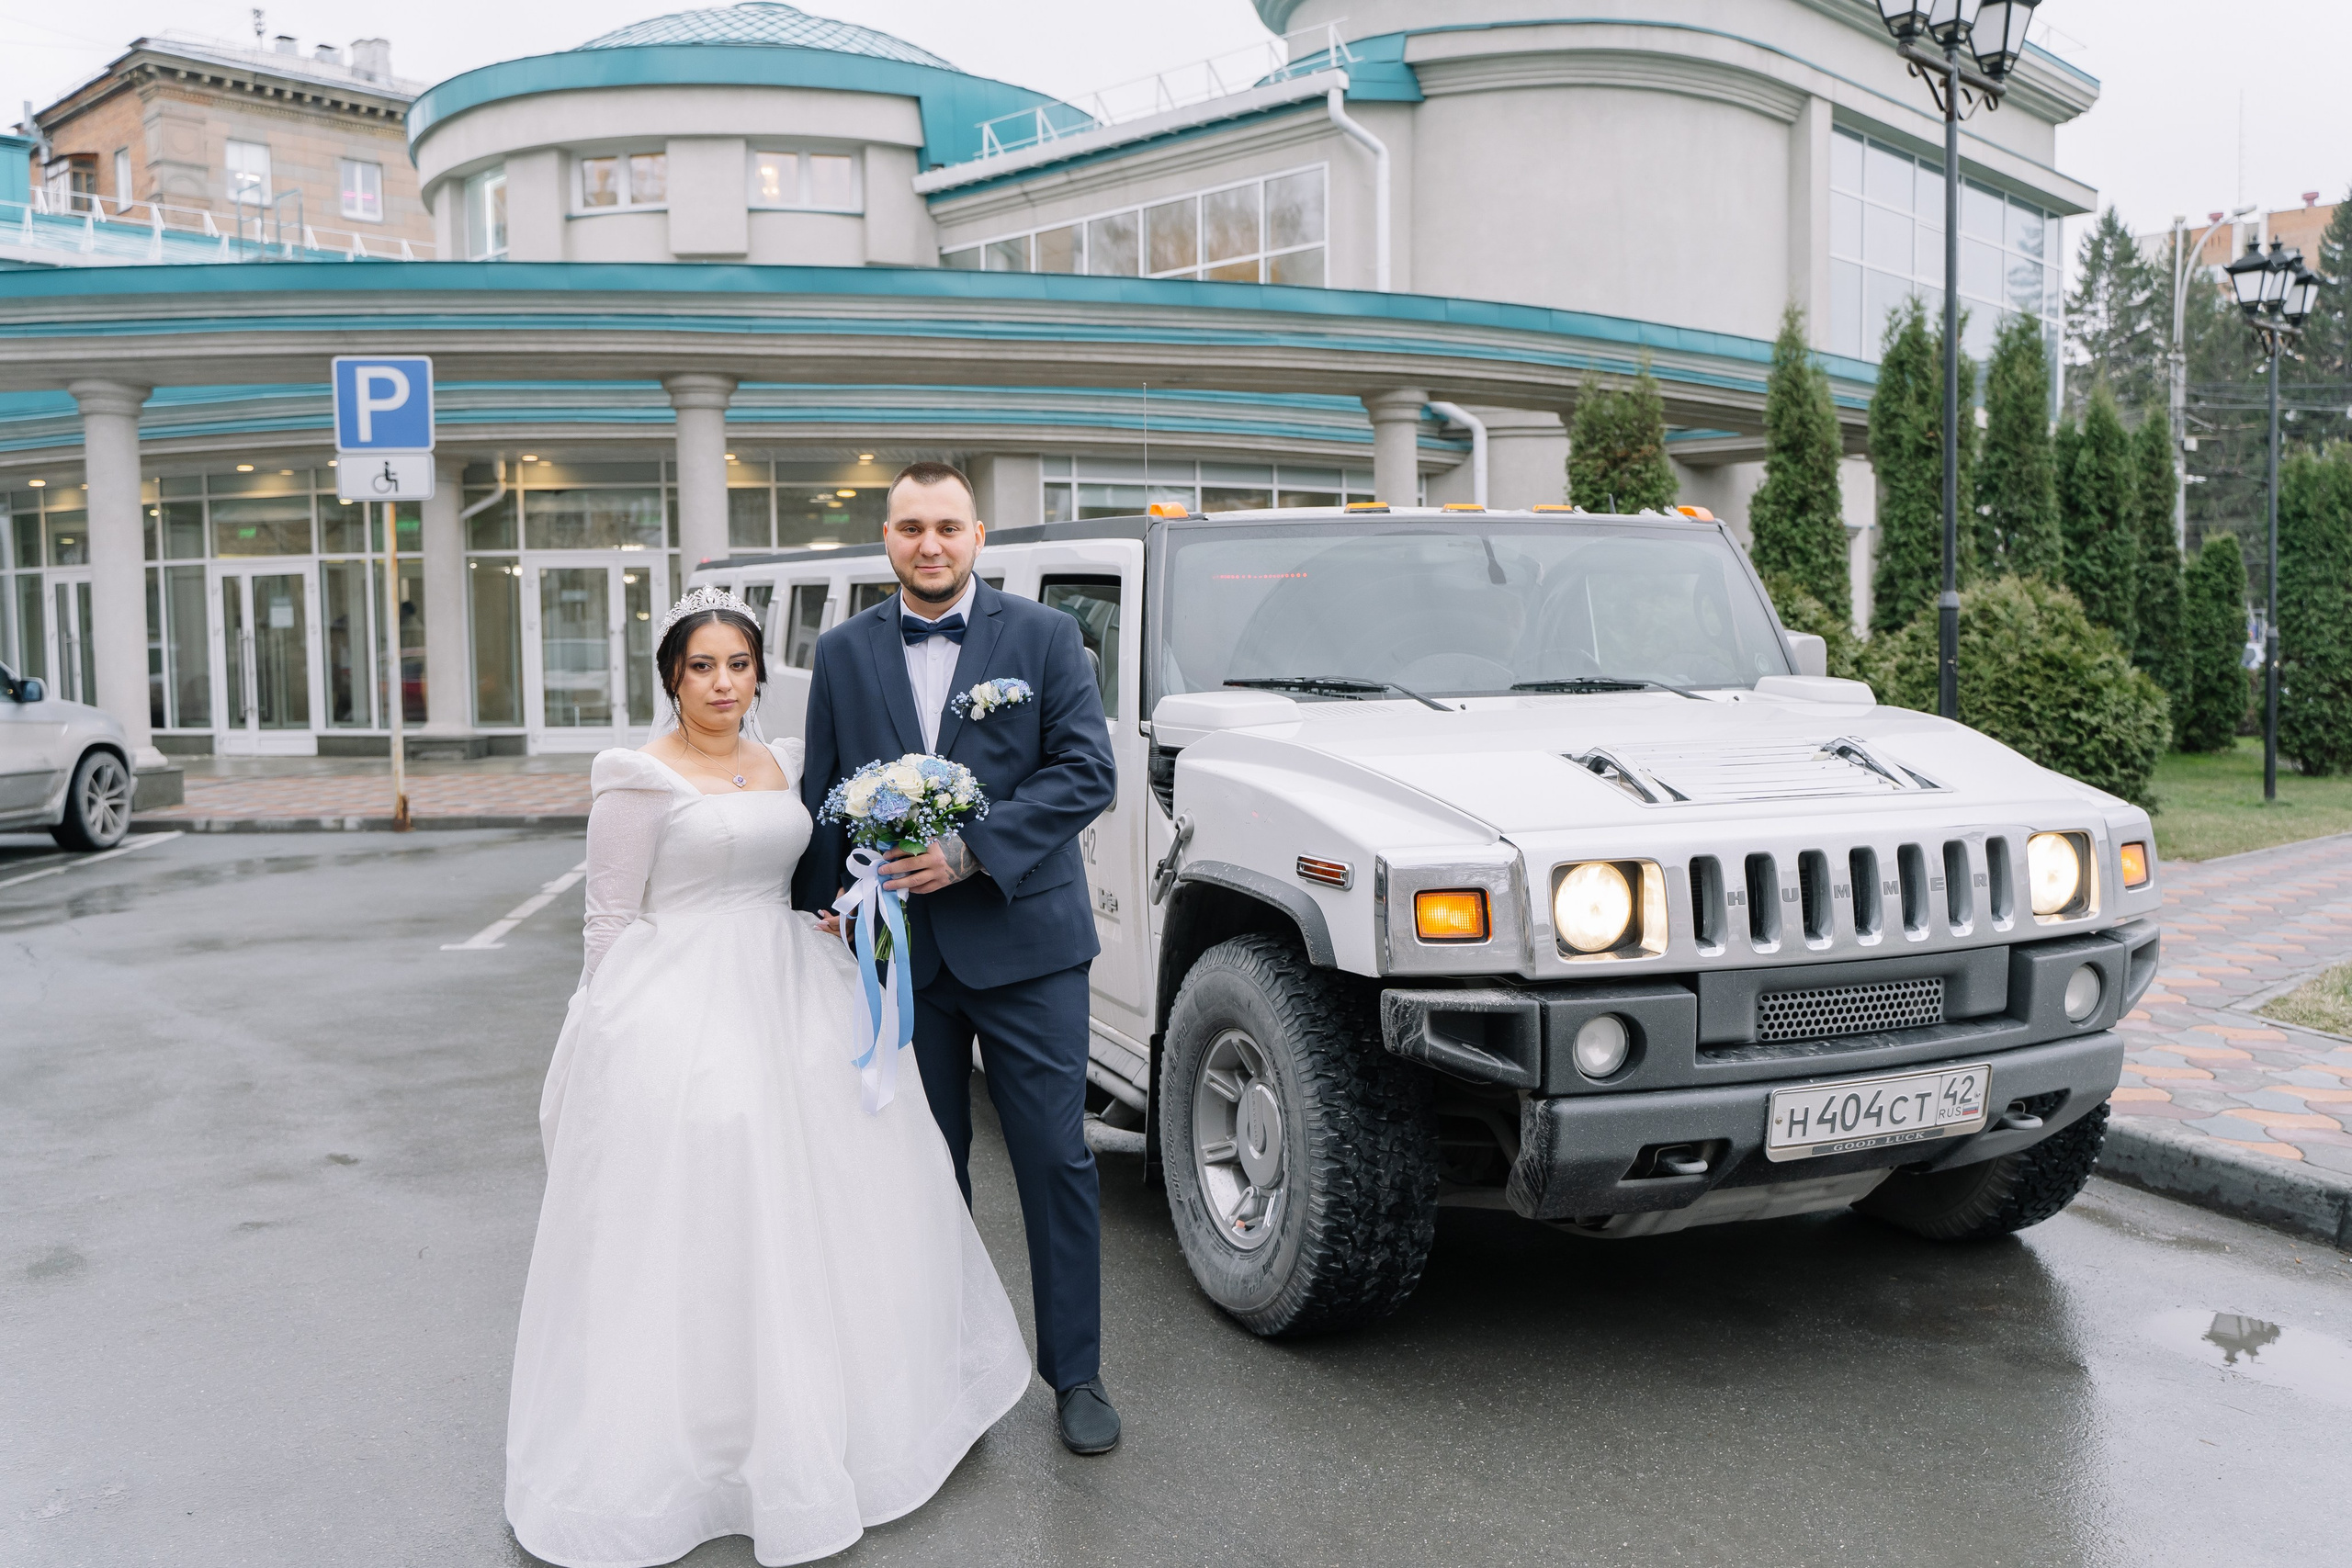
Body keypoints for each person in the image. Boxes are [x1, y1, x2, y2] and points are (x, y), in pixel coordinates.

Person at [505, 587, 1030, 1568]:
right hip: (677, 997)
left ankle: (851, 1413)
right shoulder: (636, 777)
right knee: (713, 1197)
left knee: (840, 1191)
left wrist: (842, 909)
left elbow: (804, 868)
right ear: (672, 677)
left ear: (757, 673)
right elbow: (608, 916)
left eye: (738, 665)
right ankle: (708, 1440)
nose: (722, 684)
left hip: (792, 979)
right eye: (701, 667)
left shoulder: (784, 760)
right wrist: (602, 1032)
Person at [795, 461, 1123, 1455]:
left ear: (978, 536)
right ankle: (943, 1370)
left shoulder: (1046, 636)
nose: (928, 544)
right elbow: (823, 791)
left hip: (1029, 946)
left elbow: (1087, 772)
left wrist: (971, 850)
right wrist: (817, 906)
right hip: (904, 954)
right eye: (910, 527)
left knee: (1055, 1159)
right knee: (925, 1169)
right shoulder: (842, 650)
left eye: (947, 526)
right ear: (886, 539)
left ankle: (1076, 1374)